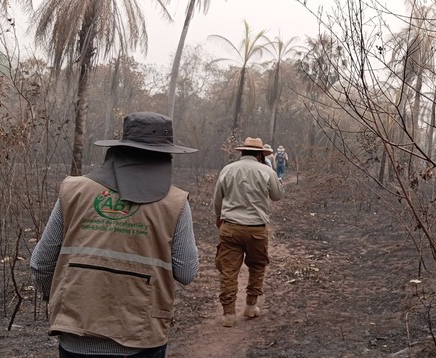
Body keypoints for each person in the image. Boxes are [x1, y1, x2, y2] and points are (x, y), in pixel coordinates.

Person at [30, 112, 199, 357]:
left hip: (76, 337)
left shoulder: (74, 191)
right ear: (165, 157)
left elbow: (40, 263)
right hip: (142, 339)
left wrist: (60, 298)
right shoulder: (175, 204)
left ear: (117, 151)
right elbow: (186, 272)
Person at [213, 137, 283, 327]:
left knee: (228, 270)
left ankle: (228, 314)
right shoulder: (267, 171)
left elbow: (217, 199)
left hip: (230, 228)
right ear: (260, 154)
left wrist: (219, 217)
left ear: (242, 152)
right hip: (257, 230)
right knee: (257, 266)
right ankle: (250, 306)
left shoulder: (228, 170)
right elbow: (276, 196)